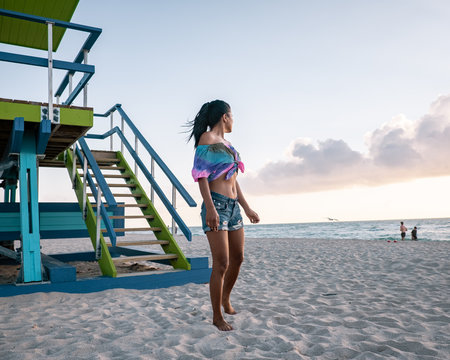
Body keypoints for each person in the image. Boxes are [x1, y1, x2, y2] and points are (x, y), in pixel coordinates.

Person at [187, 100, 260, 331]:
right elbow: (201, 176)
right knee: (221, 263)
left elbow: (234, 181)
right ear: (224, 117)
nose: (234, 120)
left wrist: (246, 207)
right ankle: (217, 316)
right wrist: (210, 208)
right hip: (216, 204)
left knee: (238, 258)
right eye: (232, 116)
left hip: (234, 207)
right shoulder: (207, 139)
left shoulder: (229, 146)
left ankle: (226, 297)